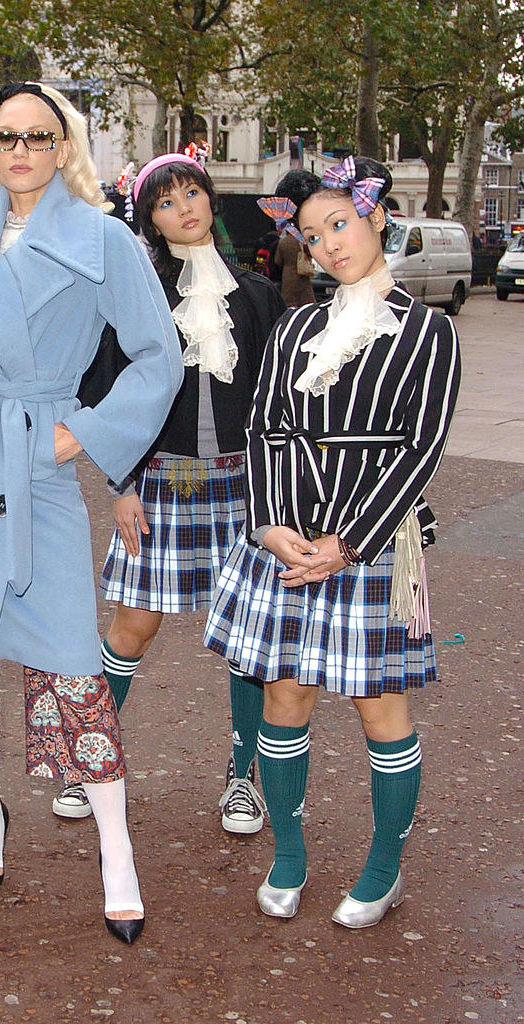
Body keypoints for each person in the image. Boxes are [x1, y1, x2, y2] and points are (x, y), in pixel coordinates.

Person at [0, 81, 183, 944]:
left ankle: (115, 852)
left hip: (34, 465)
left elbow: (155, 356)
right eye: (6, 136)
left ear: (64, 146)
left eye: (38, 137)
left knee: (71, 672)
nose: (20, 151)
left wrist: (77, 435)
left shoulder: (101, 239)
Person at [204, 157, 460, 927]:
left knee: (380, 708)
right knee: (285, 697)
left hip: (372, 541)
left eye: (339, 224)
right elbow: (264, 426)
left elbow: (421, 447)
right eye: (311, 236)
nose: (327, 245)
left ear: (376, 217)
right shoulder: (294, 327)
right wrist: (274, 526)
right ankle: (289, 852)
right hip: (286, 542)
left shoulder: (429, 330)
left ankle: (383, 868)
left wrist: (347, 543)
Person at [63, 146, 285, 833]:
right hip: (158, 485)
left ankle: (241, 776)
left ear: (210, 202)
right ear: (150, 221)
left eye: (191, 194)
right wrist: (121, 482)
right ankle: (88, 758)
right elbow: (102, 390)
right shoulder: (137, 297)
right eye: (164, 201)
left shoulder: (258, 295)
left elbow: (279, 406)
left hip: (246, 491)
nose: (182, 208)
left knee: (251, 639)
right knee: (132, 625)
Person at [274, 229, 316, 306]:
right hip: (303, 274)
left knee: (289, 301)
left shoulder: (283, 242)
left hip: (288, 275)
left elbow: (277, 261)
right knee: (307, 301)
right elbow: (311, 254)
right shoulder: (302, 241)